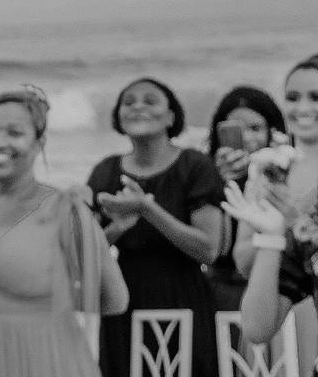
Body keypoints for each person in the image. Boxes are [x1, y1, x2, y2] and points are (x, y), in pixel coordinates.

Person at [0, 85, 127, 377]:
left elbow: (115, 299)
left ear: (39, 143)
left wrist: (44, 304)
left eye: (15, 133)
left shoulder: (65, 209)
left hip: (45, 361)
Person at [87, 77, 224, 377]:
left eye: (150, 101)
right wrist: (118, 229)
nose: (138, 107)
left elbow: (208, 250)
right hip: (124, 297)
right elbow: (87, 250)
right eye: (129, 101)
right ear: (118, 117)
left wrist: (148, 209)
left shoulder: (195, 165)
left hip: (183, 294)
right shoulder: (105, 171)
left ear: (171, 116)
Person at [224, 57, 318, 375]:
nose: (302, 108)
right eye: (293, 97)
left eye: (315, 97)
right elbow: (256, 328)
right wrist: (271, 236)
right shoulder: (275, 175)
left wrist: (297, 221)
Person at [205, 86, 286, 311]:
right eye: (237, 129)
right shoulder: (206, 174)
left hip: (277, 285)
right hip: (222, 287)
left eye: (255, 128)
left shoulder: (285, 172)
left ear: (272, 131)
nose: (247, 138)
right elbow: (214, 251)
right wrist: (217, 184)